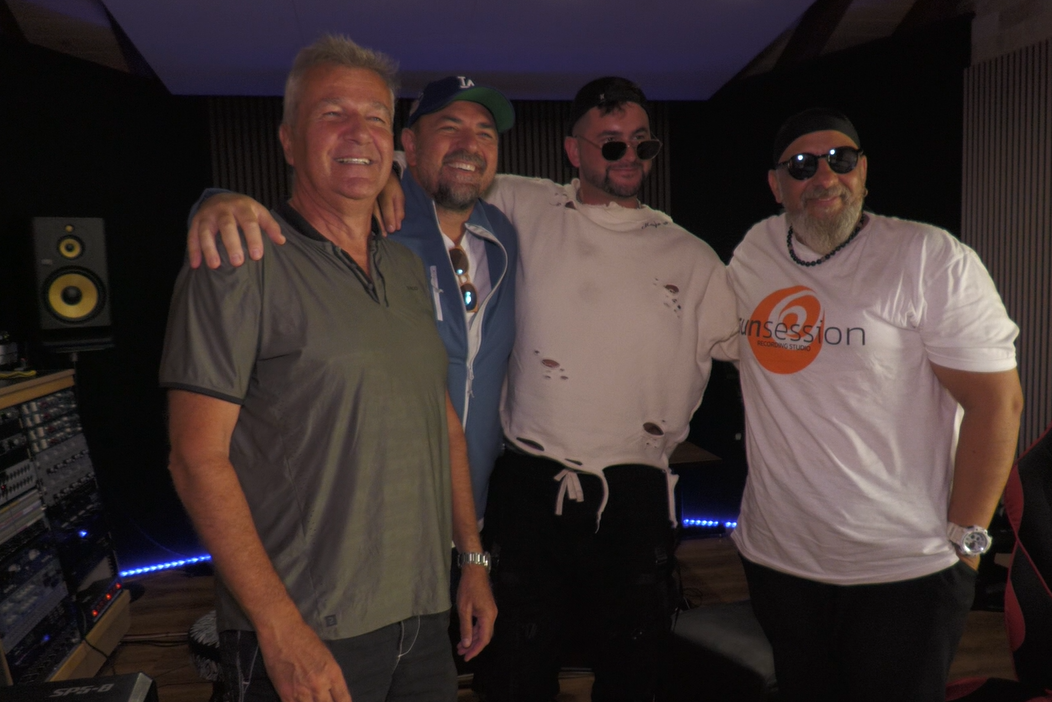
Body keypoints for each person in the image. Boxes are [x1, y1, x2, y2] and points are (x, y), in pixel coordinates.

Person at [186, 76, 739, 702]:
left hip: (527, 503)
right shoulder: (473, 217)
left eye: (642, 144)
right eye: (611, 143)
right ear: (573, 150)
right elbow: (361, 162)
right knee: (509, 674)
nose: (629, 156)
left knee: (614, 668)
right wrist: (220, 199)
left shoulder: (647, 248)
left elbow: (757, 345)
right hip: (430, 506)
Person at [161, 35, 494, 702]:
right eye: (331, 113)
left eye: (374, 117)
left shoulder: (405, 268)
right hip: (309, 628)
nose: (357, 132)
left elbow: (445, 427)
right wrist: (280, 630)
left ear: (392, 145)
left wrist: (472, 561)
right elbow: (195, 460)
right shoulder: (240, 261)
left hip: (423, 615)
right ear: (288, 140)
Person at [726, 108, 1024, 701]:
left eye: (842, 160)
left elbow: (998, 403)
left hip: (903, 567)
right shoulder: (756, 249)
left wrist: (967, 546)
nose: (825, 177)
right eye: (802, 166)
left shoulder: (928, 256)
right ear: (776, 185)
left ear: (863, 172)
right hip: (779, 559)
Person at [189, 74, 519, 523]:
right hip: (372, 512)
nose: (469, 145)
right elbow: (295, 219)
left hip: (472, 504)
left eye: (485, 133)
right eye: (449, 127)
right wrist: (215, 201)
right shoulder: (375, 223)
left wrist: (473, 547)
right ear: (409, 145)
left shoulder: (504, 233)